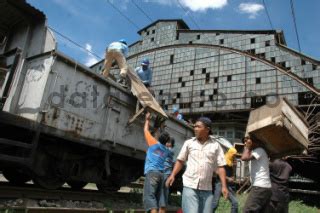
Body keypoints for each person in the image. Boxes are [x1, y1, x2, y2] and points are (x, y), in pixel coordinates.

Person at [166, 117, 228, 213]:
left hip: (207, 189)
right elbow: (180, 161)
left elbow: (221, 166)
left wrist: (224, 186)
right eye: (195, 127)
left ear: (207, 129)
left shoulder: (216, 146)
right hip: (190, 186)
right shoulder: (189, 143)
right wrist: (172, 175)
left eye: (198, 127)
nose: (195, 129)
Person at [143, 111, 171, 213]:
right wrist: (162, 128)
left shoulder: (153, 143)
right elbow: (163, 140)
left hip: (152, 173)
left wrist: (147, 120)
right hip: (161, 174)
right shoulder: (166, 150)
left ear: (159, 138)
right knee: (160, 200)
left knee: (150, 197)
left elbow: (146, 130)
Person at [241, 136, 272, 213]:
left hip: (260, 187)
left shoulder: (259, 150)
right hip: (264, 187)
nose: (245, 143)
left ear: (253, 142)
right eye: (245, 142)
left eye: (247, 141)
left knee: (247, 211)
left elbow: (244, 157)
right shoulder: (257, 151)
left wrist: (247, 147)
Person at [213, 147, 238, 213]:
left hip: (227, 185)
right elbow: (217, 172)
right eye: (234, 155)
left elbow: (232, 175)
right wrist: (227, 178)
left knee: (235, 202)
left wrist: (234, 168)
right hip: (219, 184)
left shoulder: (231, 162)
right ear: (230, 154)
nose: (235, 156)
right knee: (215, 204)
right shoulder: (223, 160)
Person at [163, 137, 175, 207]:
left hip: (167, 172)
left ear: (172, 144)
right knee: (163, 188)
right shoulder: (167, 149)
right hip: (163, 171)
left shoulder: (170, 150)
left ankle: (164, 203)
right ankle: (162, 203)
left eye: (169, 142)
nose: (167, 143)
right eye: (166, 142)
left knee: (165, 188)